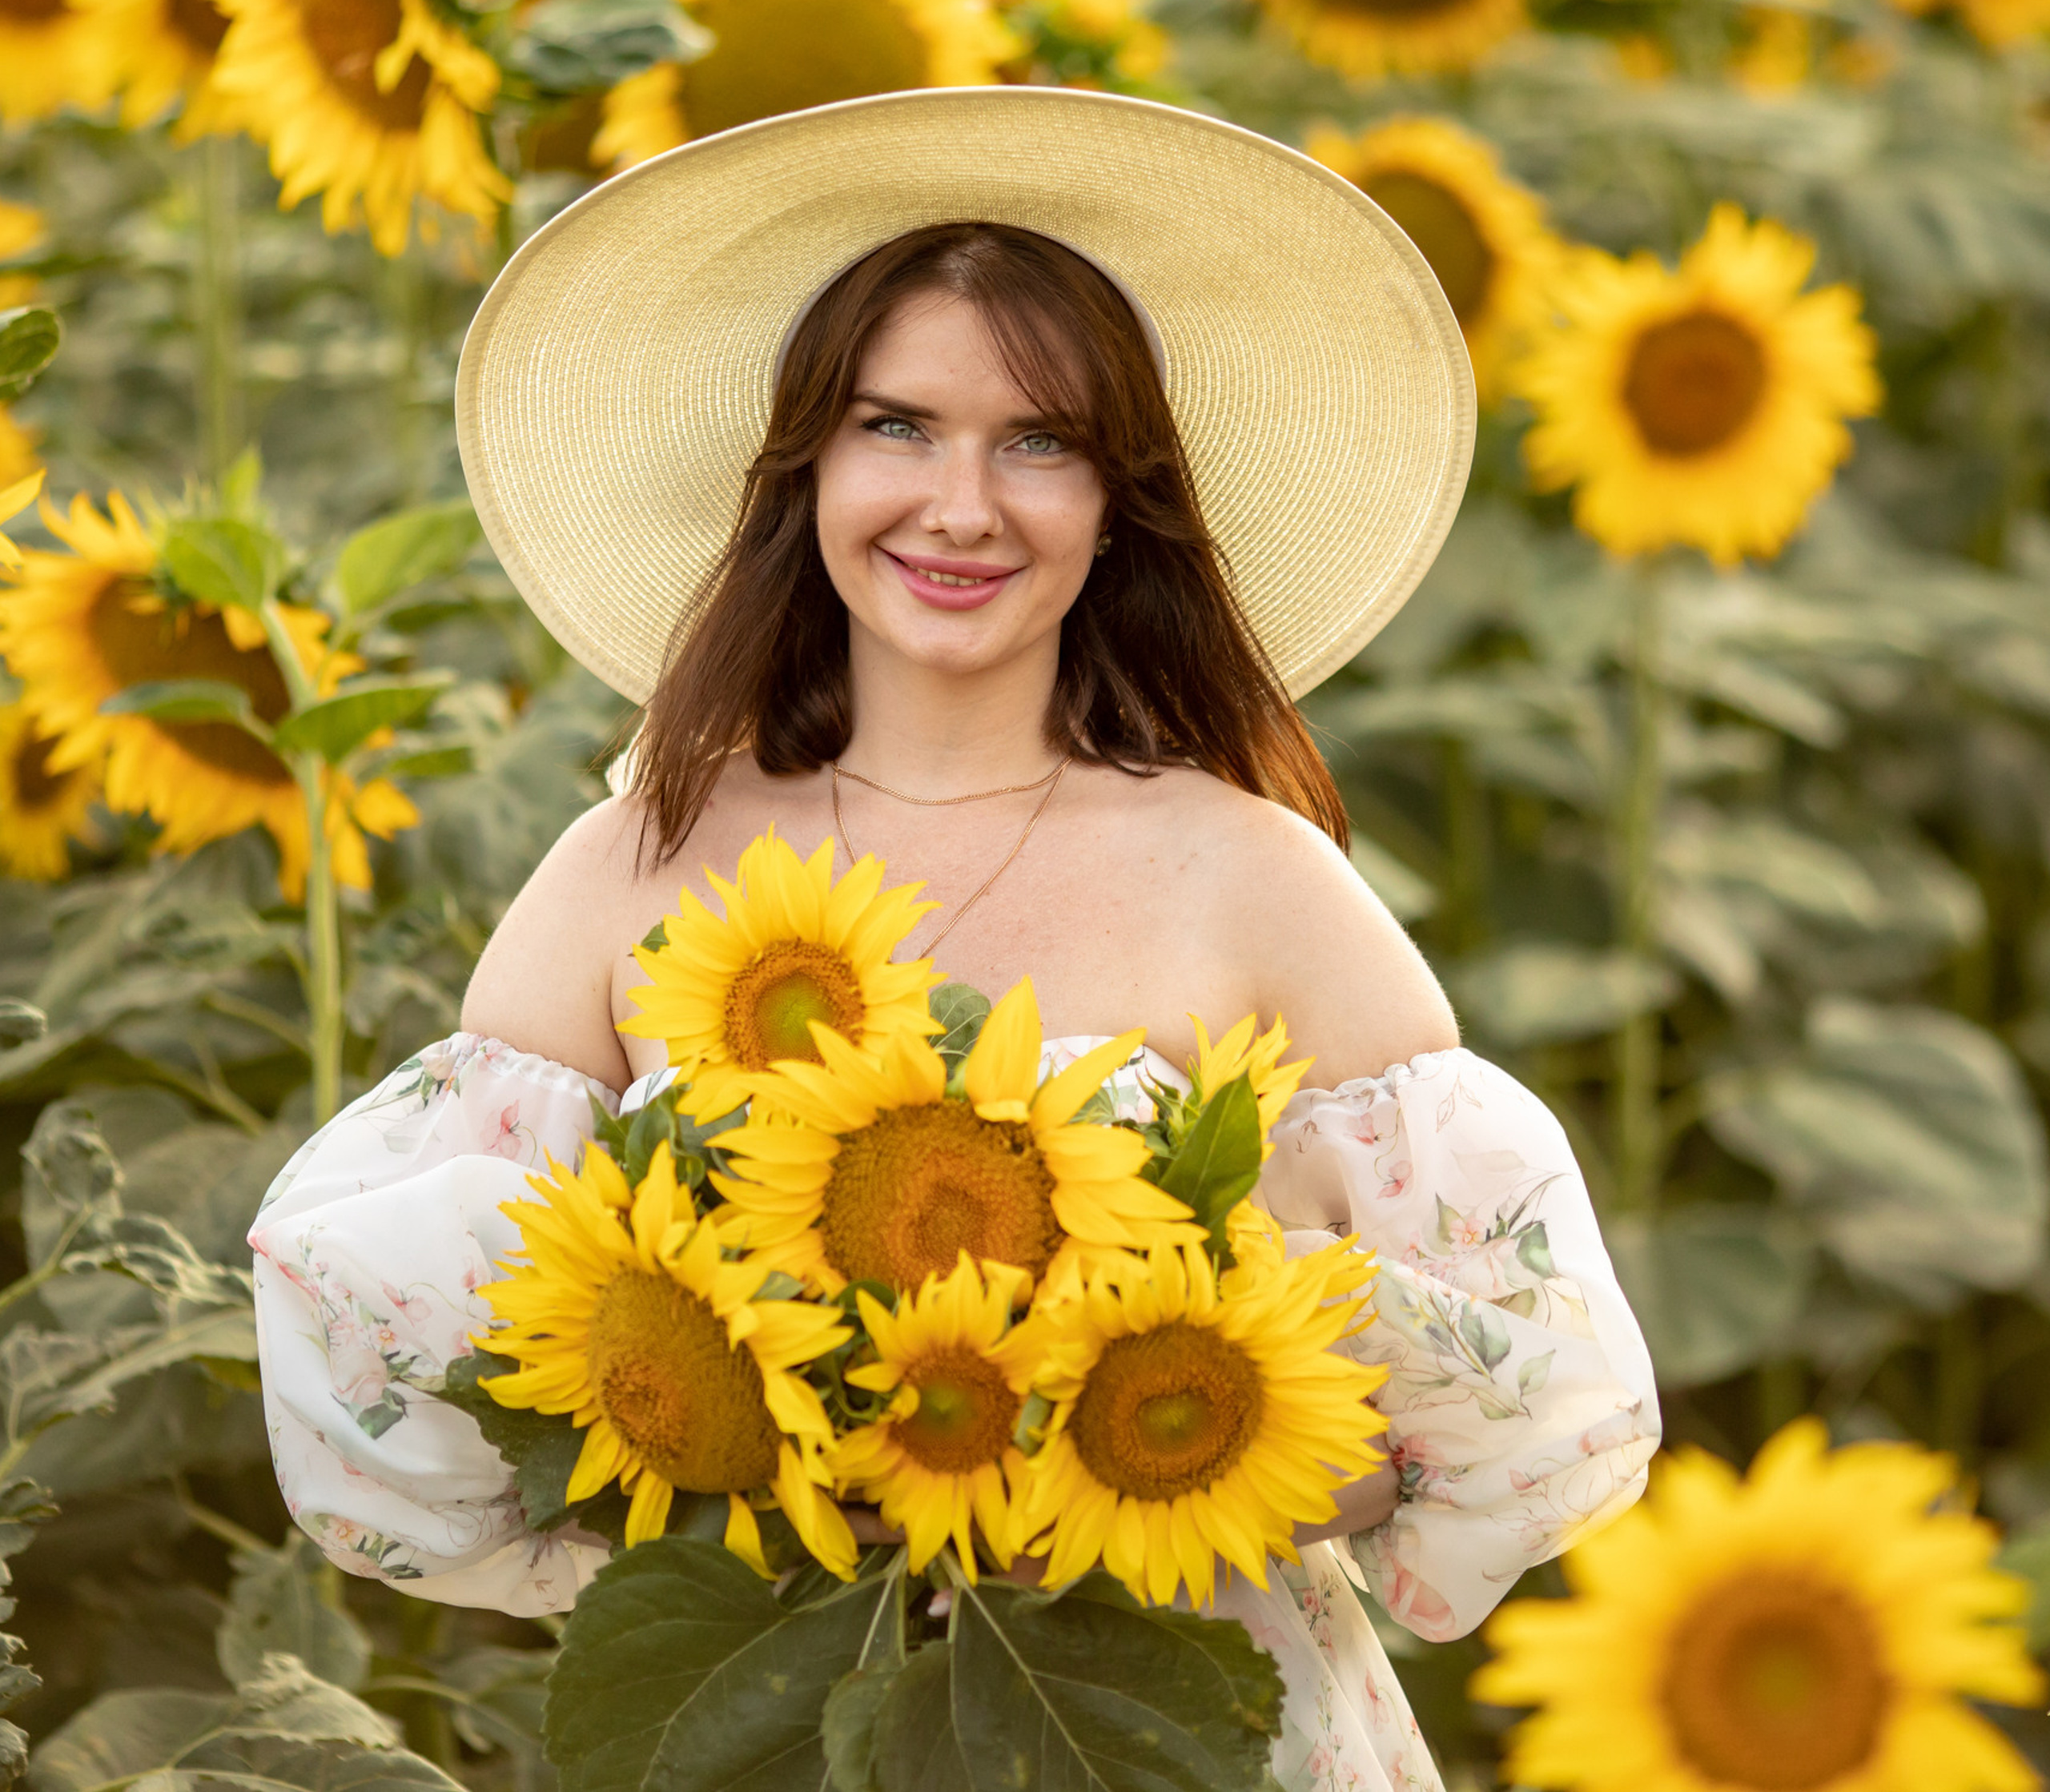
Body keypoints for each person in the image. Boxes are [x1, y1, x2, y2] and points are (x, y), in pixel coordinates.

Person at [249, 87, 1658, 1792]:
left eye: (1040, 440)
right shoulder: (635, 865)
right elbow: (427, 1359)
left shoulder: (1253, 876)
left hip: (1186, 1713)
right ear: (808, 467)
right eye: (895, 424)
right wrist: (729, 1430)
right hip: (779, 1712)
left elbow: (1524, 1390)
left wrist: (1158, 1440)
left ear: (1119, 497)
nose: (961, 503)